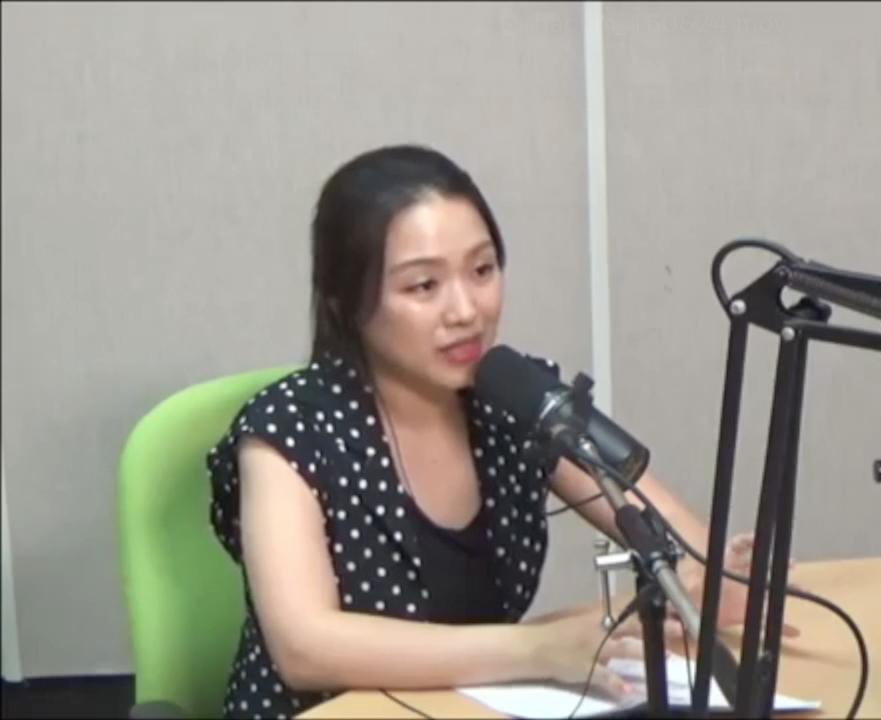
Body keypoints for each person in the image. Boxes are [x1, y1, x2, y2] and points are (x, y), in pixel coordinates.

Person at [205, 144, 795, 720]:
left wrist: (711, 577)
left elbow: (663, 529)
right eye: (423, 286)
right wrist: (536, 649)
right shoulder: (290, 429)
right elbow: (305, 648)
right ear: (344, 300)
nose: (467, 310)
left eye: (482, 270)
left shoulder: (514, 400)